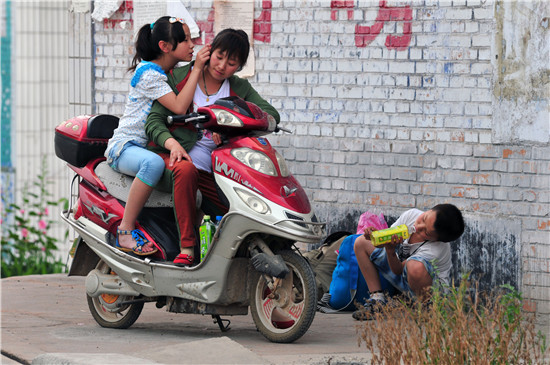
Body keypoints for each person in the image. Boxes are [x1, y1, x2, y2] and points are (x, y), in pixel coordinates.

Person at [145, 28, 280, 266]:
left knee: (237, 207)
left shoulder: (239, 88)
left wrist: (229, 127)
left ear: (238, 67)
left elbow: (270, 114)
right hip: (173, 159)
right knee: (186, 170)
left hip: (214, 171)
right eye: (219, 56)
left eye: (231, 62)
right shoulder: (181, 77)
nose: (222, 65)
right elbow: (154, 122)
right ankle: (186, 248)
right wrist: (173, 144)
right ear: (209, 50)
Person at [104, 16, 210, 255]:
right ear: (165, 46)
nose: (192, 45)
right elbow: (179, 107)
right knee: (152, 163)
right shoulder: (150, 74)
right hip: (124, 147)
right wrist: (198, 69)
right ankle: (125, 230)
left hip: (136, 148)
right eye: (185, 40)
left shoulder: (162, 72)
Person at [352, 203, 465, 320]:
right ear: (429, 210)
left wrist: (390, 251)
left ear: (437, 240)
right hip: (405, 276)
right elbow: (386, 239)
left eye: (426, 232)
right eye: (424, 218)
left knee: (415, 267)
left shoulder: (435, 249)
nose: (419, 226)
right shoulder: (411, 215)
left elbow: (398, 270)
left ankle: (428, 308)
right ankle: (377, 300)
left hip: (428, 289)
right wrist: (375, 235)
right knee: (361, 243)